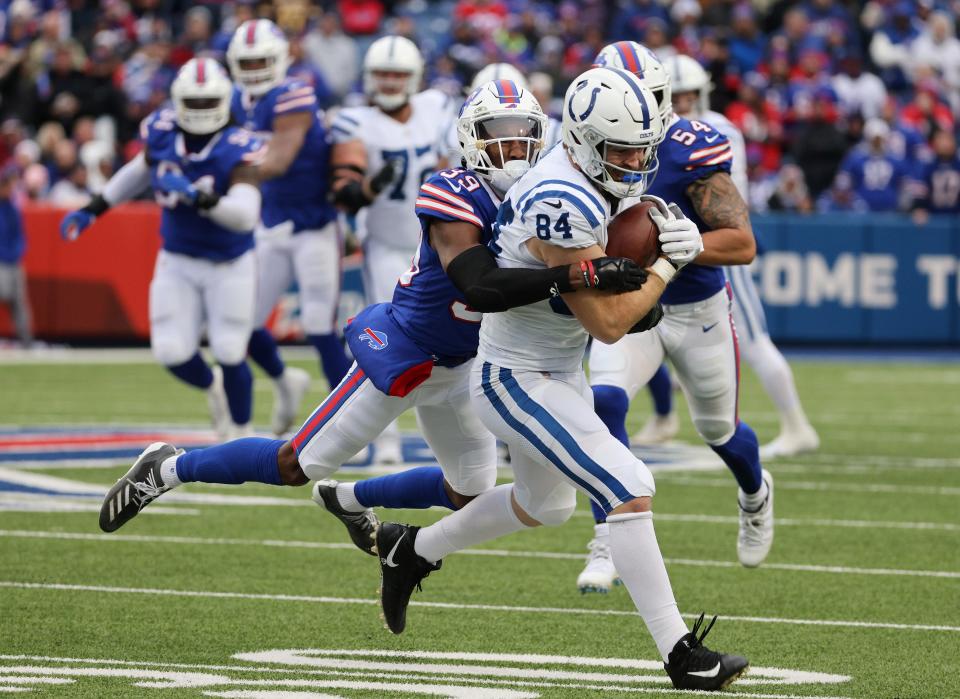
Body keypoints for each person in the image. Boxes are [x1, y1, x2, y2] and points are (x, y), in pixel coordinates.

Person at [94, 80, 646, 547]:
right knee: (295, 465)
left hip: (474, 366)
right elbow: (480, 286)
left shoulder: (552, 196)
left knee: (470, 493)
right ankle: (166, 467)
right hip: (408, 351)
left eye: (524, 137)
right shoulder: (453, 189)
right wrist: (582, 276)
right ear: (470, 141)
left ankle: (351, 499)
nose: (513, 151)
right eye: (498, 139)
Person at [372, 66, 749, 692]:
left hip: (551, 368)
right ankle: (683, 656)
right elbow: (608, 323)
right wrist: (666, 266)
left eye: (641, 149)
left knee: (543, 506)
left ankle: (411, 550)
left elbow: (625, 313)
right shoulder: (562, 200)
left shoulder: (592, 178)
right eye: (621, 150)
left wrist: (643, 275)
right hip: (513, 377)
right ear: (580, 140)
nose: (634, 162)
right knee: (629, 483)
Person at [579, 42, 774, 596]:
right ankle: (607, 537)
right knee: (606, 401)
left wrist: (690, 244)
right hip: (630, 299)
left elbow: (741, 243)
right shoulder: (571, 148)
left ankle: (755, 492)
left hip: (694, 308)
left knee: (719, 431)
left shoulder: (691, 148)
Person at [61, 58, 262, 440]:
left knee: (231, 348)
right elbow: (141, 169)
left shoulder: (239, 144)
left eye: (208, 103)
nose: (200, 110)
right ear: (177, 100)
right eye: (193, 102)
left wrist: (199, 199)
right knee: (170, 351)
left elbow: (246, 215)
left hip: (230, 260)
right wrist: (96, 207)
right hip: (178, 257)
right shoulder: (163, 129)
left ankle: (242, 433)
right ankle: (212, 386)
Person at [667, 54, 818, 460]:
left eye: (688, 96)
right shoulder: (668, 130)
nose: (681, 103)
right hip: (686, 250)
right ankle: (663, 416)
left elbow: (729, 202)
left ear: (702, 94)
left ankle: (797, 424)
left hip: (715, 248)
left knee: (754, 342)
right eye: (675, 96)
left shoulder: (716, 129)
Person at [328, 35, 456, 463]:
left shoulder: (437, 107)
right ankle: (385, 440)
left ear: (414, 77)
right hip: (386, 244)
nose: (389, 81)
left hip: (439, 245)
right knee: (388, 341)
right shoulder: (354, 121)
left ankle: (469, 433)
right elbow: (346, 188)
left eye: (397, 74)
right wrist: (366, 186)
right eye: (382, 73)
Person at [227, 19, 350, 436]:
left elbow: (277, 162)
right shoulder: (234, 100)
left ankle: (350, 423)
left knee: (319, 326)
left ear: (280, 59)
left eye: (262, 59)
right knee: (243, 324)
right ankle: (284, 381)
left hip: (313, 223)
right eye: (248, 61)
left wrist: (215, 178)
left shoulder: (293, 93)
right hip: (271, 224)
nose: (256, 67)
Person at [0, 166, 32, 347]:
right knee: (3, 295)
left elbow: (20, 236)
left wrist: (17, 253)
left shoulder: (12, 207)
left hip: (13, 261)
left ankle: (26, 342)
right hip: (1, 262)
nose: (7, 189)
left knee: (18, 302)